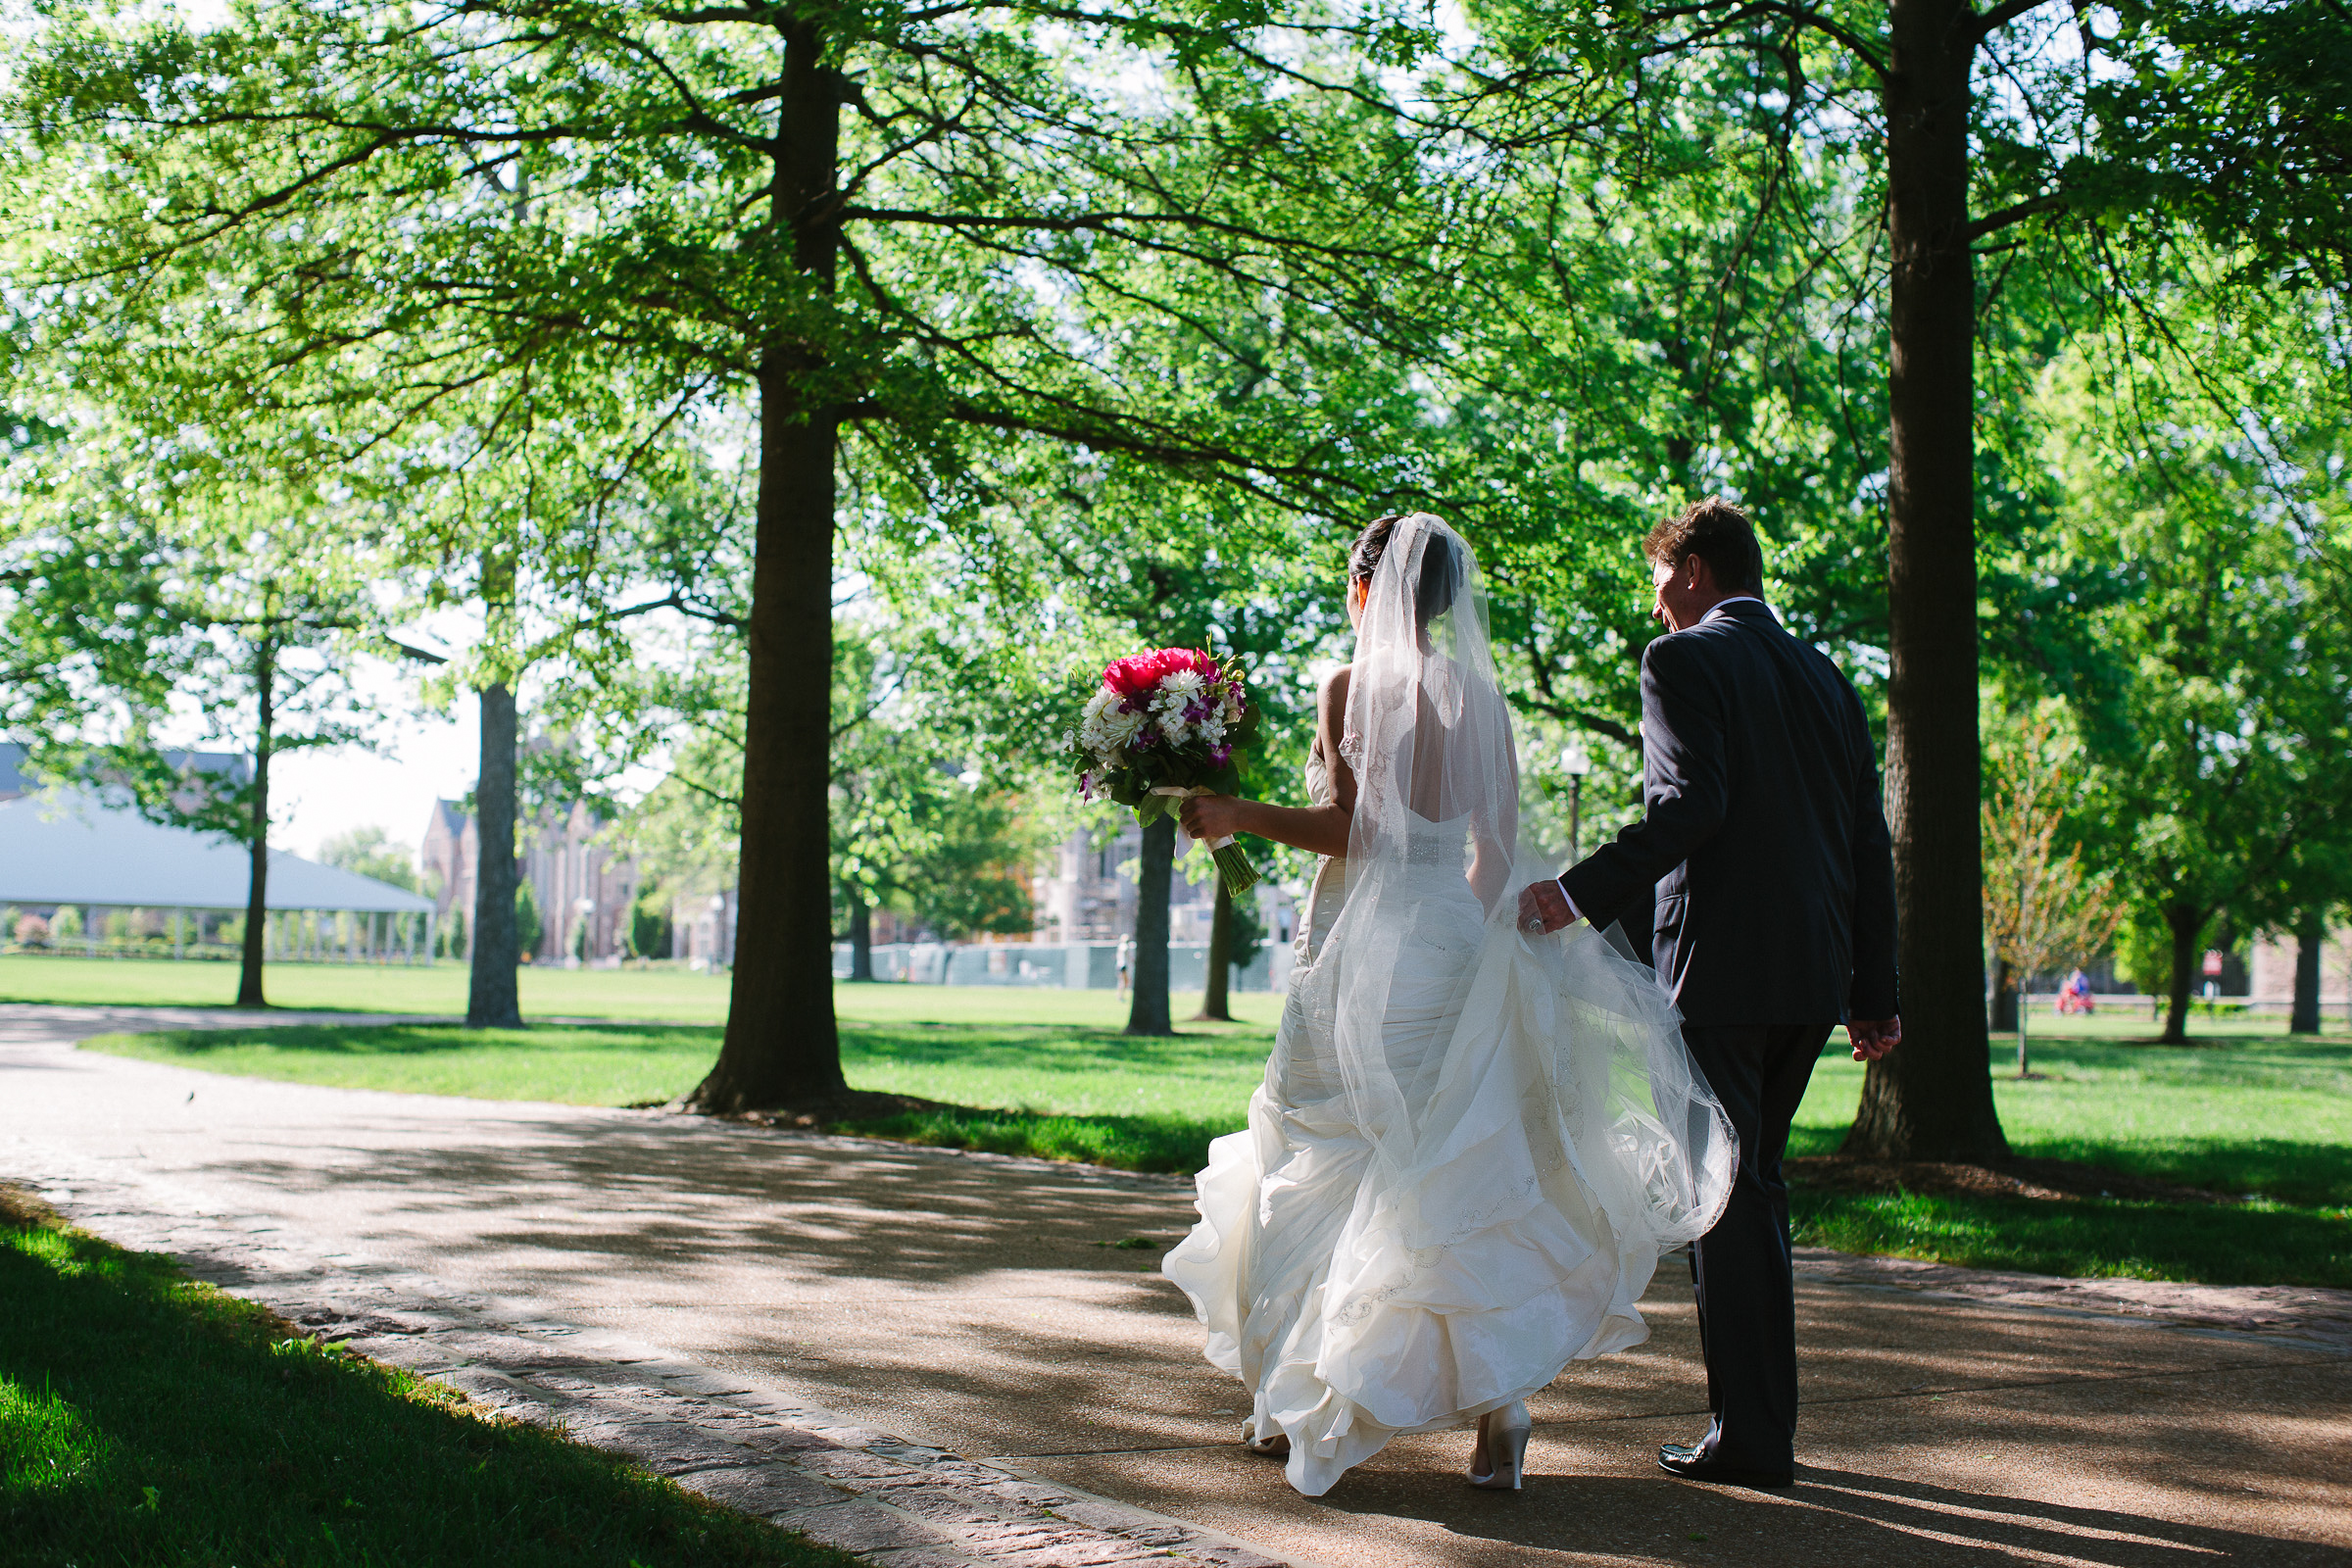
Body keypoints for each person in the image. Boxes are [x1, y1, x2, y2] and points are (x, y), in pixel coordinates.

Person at [1166, 513, 1736, 1497]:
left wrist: (1235, 813)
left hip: (1362, 958)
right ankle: (1498, 1411)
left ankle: (1300, 1399)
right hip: (1452, 947)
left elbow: (1356, 833)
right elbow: (1495, 849)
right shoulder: (1480, 696)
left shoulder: (1347, 685)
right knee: (1454, 1177)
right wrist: (1479, 959)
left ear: (1366, 593)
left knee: (1317, 1156)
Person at [1520, 497, 1900, 1491]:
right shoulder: (1830, 679)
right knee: (1757, 1186)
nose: (1657, 608)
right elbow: (1867, 842)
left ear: (1690, 569)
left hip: (1724, 969)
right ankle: (1761, 1424)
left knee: (1726, 1194)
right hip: (1814, 974)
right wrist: (1875, 986)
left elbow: (1694, 807)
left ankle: (1754, 1437)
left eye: (1659, 583)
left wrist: (1574, 893)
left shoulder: (1681, 660)